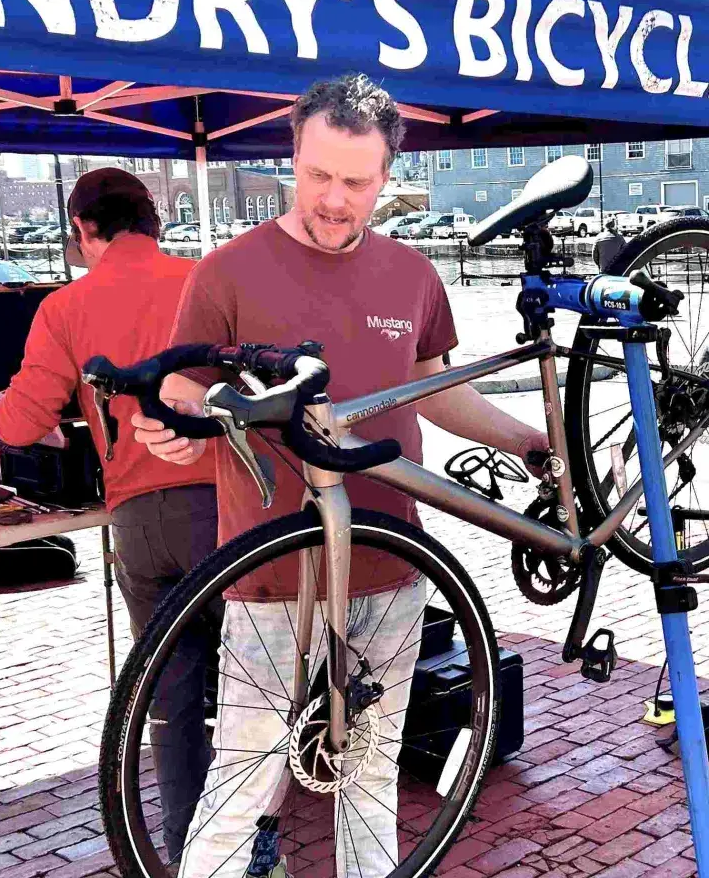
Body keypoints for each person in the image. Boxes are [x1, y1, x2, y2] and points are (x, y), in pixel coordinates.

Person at [135, 73, 551, 877]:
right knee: (245, 774)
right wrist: (175, 432)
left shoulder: (412, 276)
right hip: (269, 574)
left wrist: (528, 438)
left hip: (393, 564)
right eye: (318, 175)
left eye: (355, 182)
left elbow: (438, 387)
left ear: (386, 177)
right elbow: (183, 390)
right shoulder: (226, 272)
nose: (334, 199)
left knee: (370, 776)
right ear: (292, 158)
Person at [0, 167, 219, 857]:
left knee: (171, 705)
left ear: (83, 231)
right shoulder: (203, 279)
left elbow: (20, 426)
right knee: (249, 694)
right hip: (230, 515)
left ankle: (188, 855)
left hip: (139, 521)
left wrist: (1, 404)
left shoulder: (65, 307)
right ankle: (251, 848)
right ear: (156, 220)